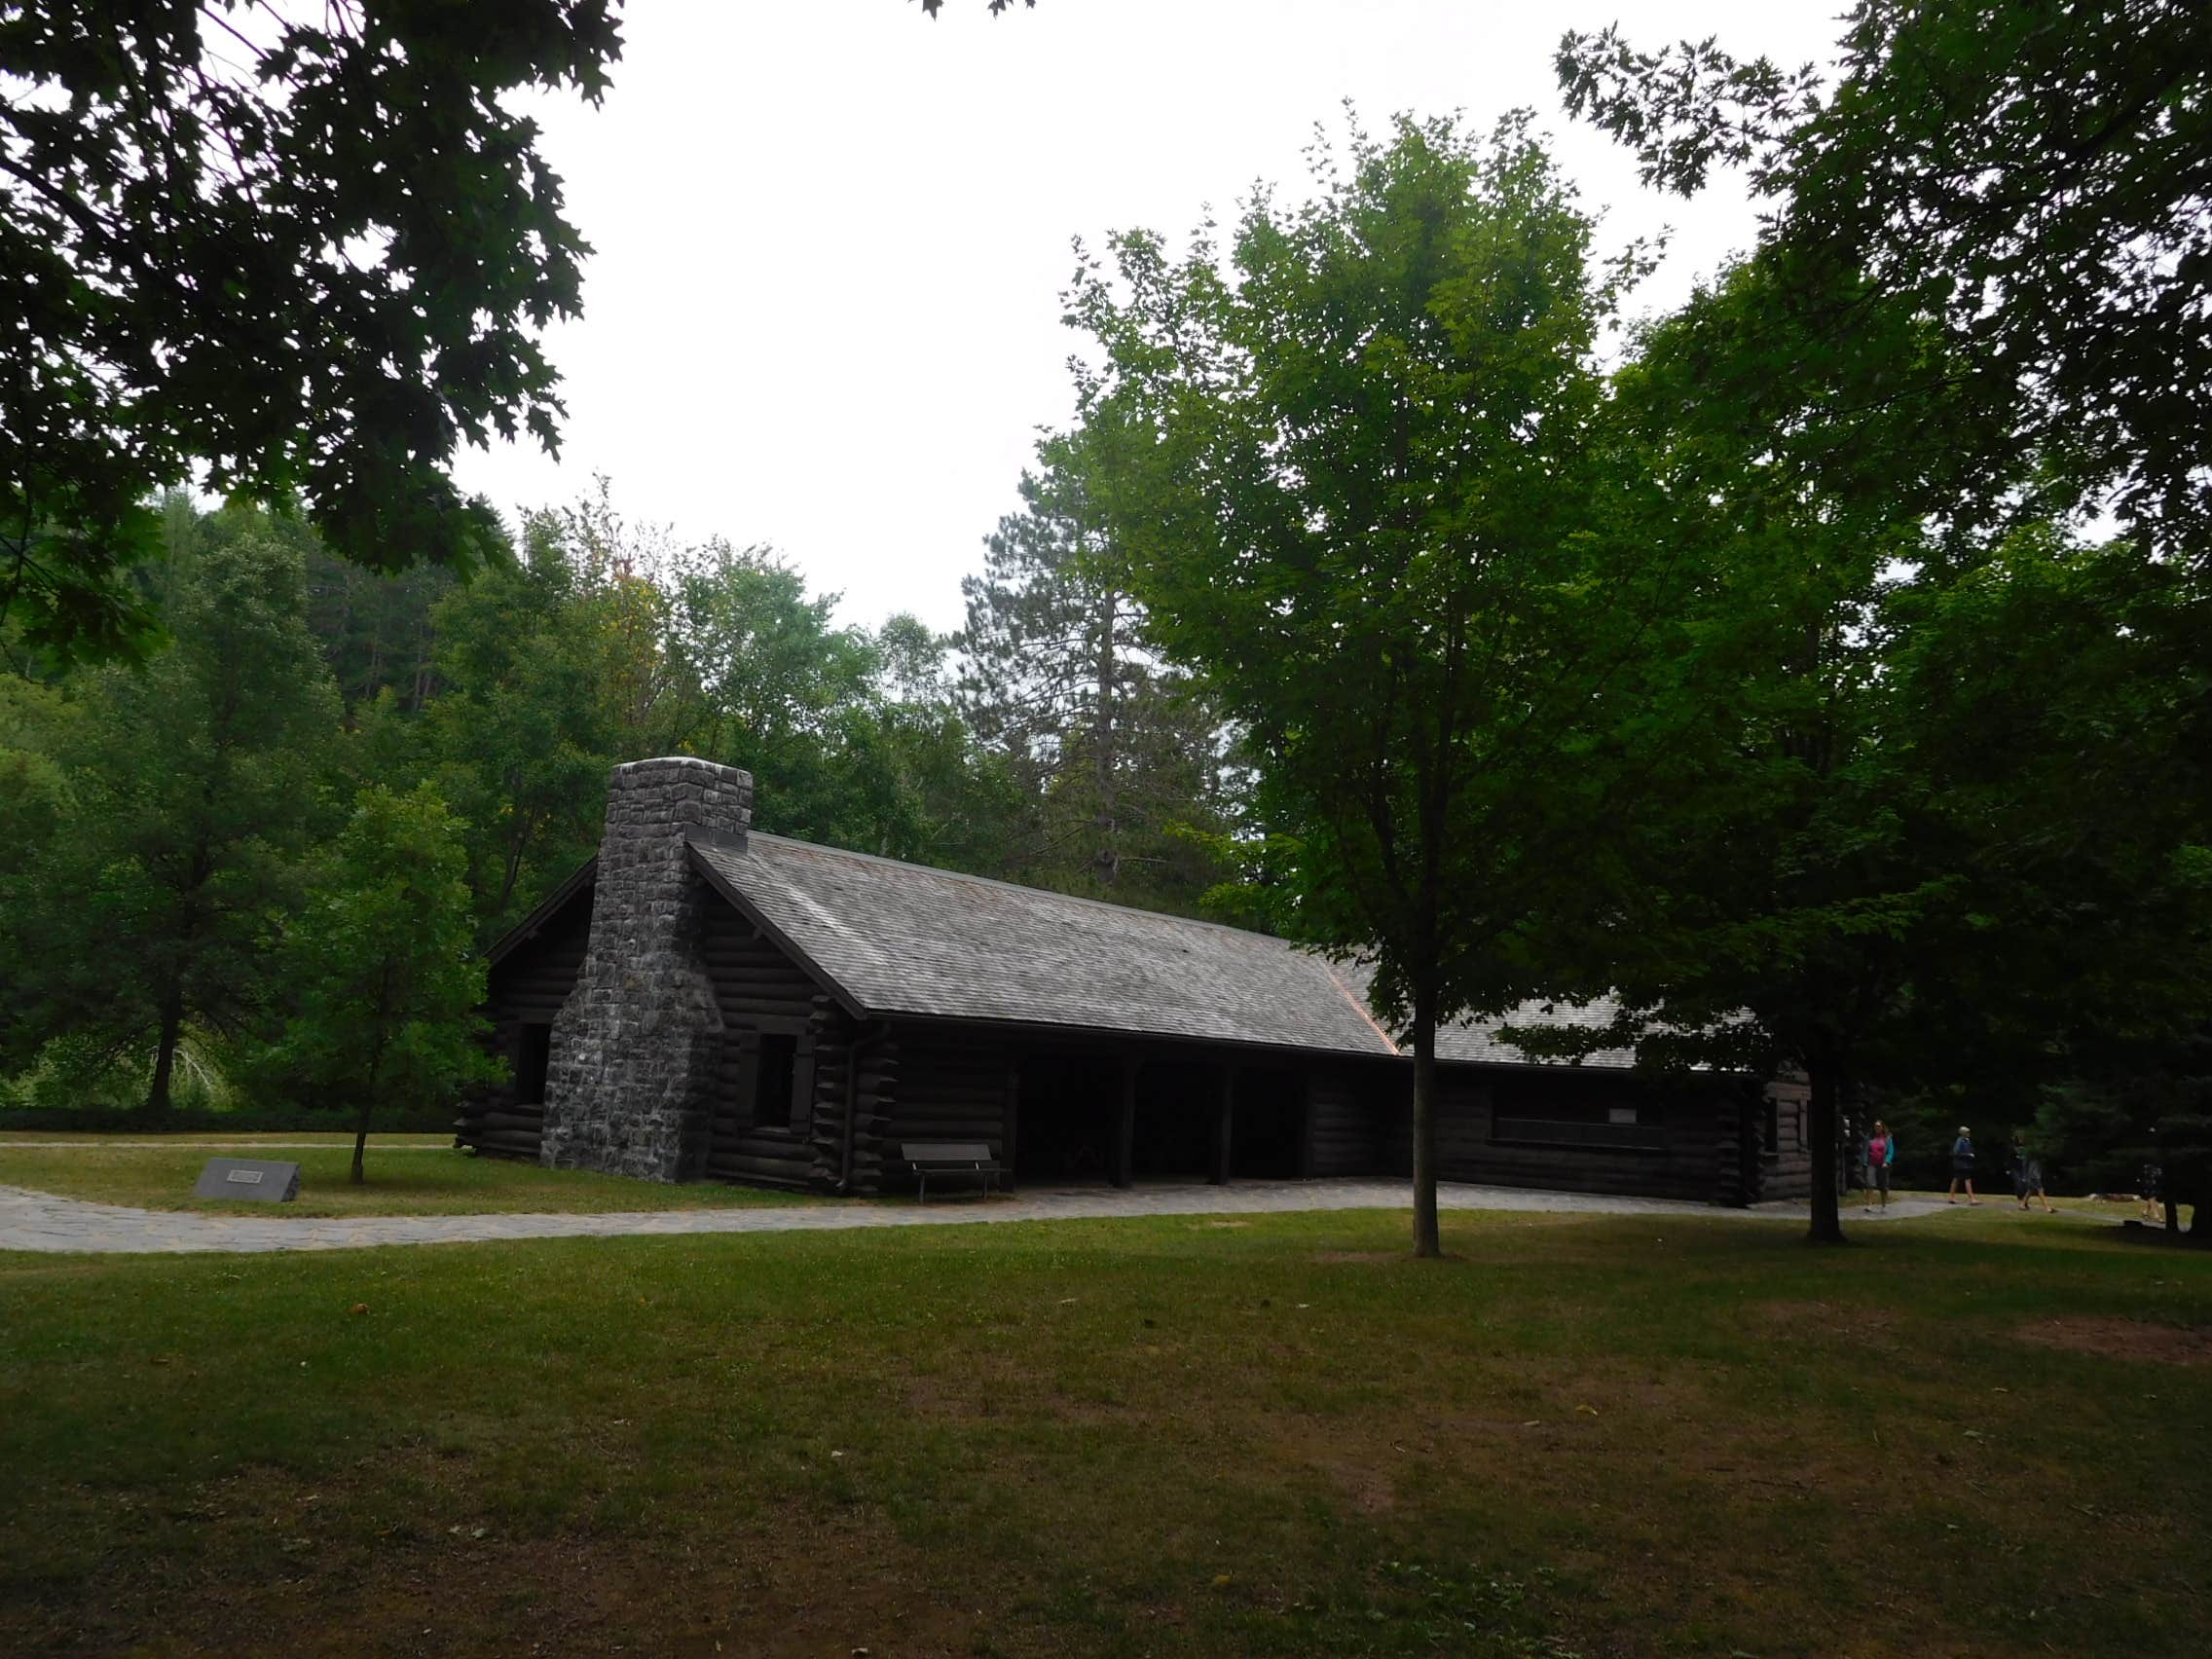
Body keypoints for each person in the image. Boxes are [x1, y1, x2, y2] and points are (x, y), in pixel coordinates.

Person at [2010, 1131, 2054, 1213]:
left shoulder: (2033, 1151)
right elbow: (2026, 1163)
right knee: (2040, 1190)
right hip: (2033, 1174)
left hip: (2034, 1172)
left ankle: (2022, 1204)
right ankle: (2047, 1208)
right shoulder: (2030, 1151)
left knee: (2031, 1189)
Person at [1865, 1120, 1896, 1209]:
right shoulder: (1870, 1137)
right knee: (1870, 1183)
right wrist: (1864, 1161)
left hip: (1883, 1164)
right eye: (1875, 1126)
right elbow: (1865, 1150)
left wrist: (1887, 1161)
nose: (1877, 1128)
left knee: (1883, 1185)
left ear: (1882, 1127)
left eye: (1878, 1126)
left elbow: (1890, 1151)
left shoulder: (1887, 1138)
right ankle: (1869, 1205)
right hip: (1871, 1163)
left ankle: (1883, 1205)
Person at [1947, 1125, 1979, 1205]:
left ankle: (1951, 1197)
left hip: (1962, 1163)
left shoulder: (1966, 1140)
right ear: (1963, 1133)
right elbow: (1956, 1152)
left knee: (1956, 1179)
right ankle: (1972, 1199)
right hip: (1961, 1164)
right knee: (1967, 1180)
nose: (1969, 1133)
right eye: (1967, 1132)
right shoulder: (1960, 1141)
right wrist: (1968, 1155)